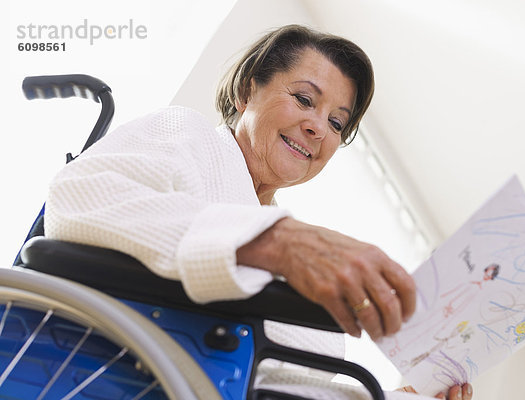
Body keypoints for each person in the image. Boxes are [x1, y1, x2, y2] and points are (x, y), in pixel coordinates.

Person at [45, 24, 472, 400]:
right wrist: (274, 242)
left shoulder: (294, 254)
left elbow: (297, 390)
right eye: (305, 99)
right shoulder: (188, 136)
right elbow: (80, 197)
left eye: (337, 123)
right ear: (247, 90)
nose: (318, 128)